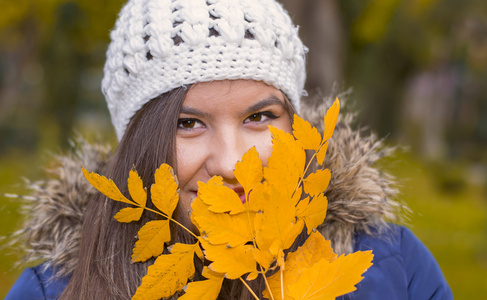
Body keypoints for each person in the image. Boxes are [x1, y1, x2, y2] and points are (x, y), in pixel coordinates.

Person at [5, 0, 453, 299]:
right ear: (140, 143)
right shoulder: (54, 290)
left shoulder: (394, 268)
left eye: (259, 117)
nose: (231, 163)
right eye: (188, 123)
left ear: (294, 126)